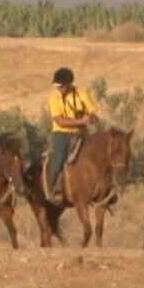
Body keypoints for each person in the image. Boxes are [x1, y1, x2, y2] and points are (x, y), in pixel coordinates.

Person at [46, 67, 98, 205]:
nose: (59, 89)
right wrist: (81, 121)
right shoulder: (53, 97)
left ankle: (105, 188)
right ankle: (54, 189)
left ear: (69, 84)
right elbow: (59, 120)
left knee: (98, 153)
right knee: (58, 159)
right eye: (57, 86)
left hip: (81, 132)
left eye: (61, 86)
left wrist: (91, 117)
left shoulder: (81, 94)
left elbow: (92, 110)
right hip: (61, 134)